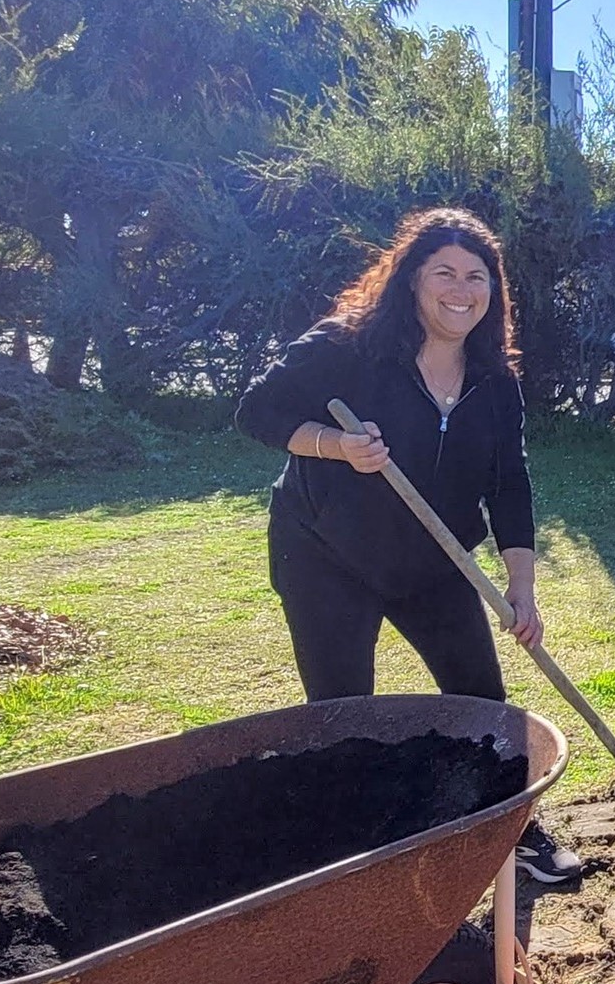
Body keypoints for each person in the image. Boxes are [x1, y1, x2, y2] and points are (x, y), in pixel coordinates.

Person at [236, 206, 582, 885]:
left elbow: (509, 482)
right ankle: (354, 851)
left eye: (476, 276)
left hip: (434, 557)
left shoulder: (493, 379)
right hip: (326, 556)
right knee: (344, 710)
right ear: (411, 280)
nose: (461, 289)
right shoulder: (348, 346)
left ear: (493, 289)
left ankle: (514, 827)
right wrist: (334, 446)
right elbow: (257, 409)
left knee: (483, 697)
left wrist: (521, 584)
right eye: (443, 272)